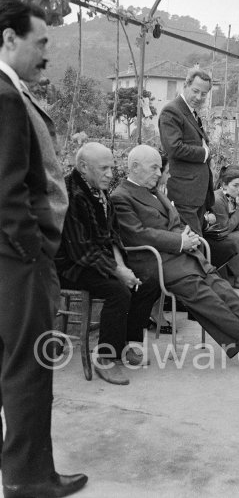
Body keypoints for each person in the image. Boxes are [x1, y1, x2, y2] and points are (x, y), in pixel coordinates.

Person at [111, 145, 239, 370]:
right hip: (157, 263)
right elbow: (137, 234)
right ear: (135, 167)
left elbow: (176, 223)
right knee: (210, 300)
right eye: (154, 168)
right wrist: (179, 241)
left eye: (160, 168)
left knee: (225, 292)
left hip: (186, 256)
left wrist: (188, 236)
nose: (159, 173)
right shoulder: (121, 196)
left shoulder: (156, 192)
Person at [0, 0, 88, 498]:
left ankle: (23, 469)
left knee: (9, 363)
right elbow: (8, 188)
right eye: (40, 43)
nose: (47, 55)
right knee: (31, 366)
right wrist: (31, 250)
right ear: (10, 39)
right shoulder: (6, 96)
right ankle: (29, 480)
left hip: (10, 257)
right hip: (19, 260)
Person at [55, 143, 160, 386]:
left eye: (112, 168)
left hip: (95, 260)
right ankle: (105, 358)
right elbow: (82, 251)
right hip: (69, 266)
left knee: (147, 281)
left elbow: (113, 236)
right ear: (83, 167)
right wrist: (118, 273)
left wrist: (123, 267)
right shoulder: (69, 194)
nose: (111, 174)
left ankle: (125, 345)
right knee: (117, 290)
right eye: (104, 169)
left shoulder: (100, 192)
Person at [159, 68, 214, 236]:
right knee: (195, 244)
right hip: (184, 195)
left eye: (204, 94)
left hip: (195, 196)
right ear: (186, 85)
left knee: (197, 243)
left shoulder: (192, 113)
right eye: (195, 91)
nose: (199, 97)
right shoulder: (172, 111)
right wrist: (204, 153)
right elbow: (174, 148)